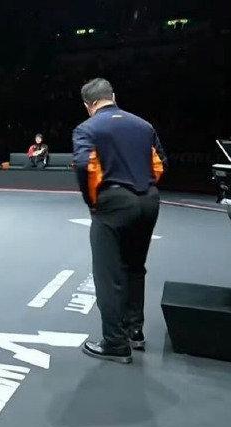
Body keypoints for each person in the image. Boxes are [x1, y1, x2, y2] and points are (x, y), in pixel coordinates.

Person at [72, 78, 166, 364]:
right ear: (112, 95)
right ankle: (135, 331)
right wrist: (144, 187)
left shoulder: (87, 128)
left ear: (88, 105)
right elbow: (160, 162)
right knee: (135, 267)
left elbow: (84, 165)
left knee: (108, 273)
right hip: (148, 200)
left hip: (113, 203)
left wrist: (93, 202)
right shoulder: (144, 125)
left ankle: (114, 342)